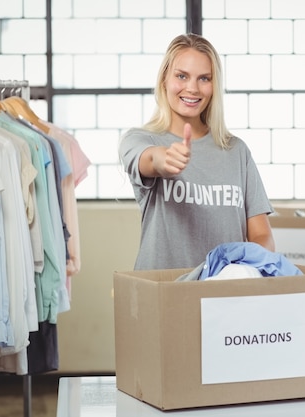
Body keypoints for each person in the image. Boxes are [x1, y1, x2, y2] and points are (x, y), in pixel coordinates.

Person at [118, 33, 275, 270]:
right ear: (164, 80)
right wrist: (163, 158)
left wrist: (241, 271)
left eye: (204, 78)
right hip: (162, 294)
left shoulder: (236, 151)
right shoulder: (140, 139)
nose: (192, 88)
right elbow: (147, 158)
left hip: (222, 296)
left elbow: (262, 235)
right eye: (182, 76)